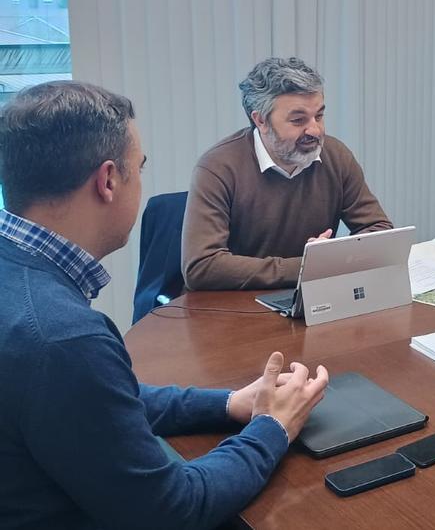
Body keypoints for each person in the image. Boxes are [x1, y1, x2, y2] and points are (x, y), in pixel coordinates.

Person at [0, 82, 329, 528]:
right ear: (109, 180)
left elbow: (100, 401)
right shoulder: (62, 337)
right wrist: (272, 428)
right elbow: (174, 510)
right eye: (141, 167)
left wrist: (230, 402)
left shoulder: (24, 286)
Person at [182, 57, 392, 290]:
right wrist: (305, 267)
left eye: (319, 116)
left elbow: (379, 231)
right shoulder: (218, 167)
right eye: (298, 120)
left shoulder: (335, 155)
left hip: (311, 301)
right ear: (261, 120)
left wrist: (332, 258)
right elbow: (202, 266)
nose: (315, 130)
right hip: (235, 308)